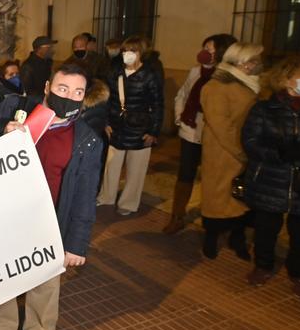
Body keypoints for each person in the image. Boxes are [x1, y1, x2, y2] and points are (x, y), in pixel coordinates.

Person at [0, 63, 103, 330]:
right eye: (62, 88)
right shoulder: (14, 107)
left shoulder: (86, 139)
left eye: (78, 92)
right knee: (3, 279)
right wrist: (1, 131)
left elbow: (85, 194)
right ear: (47, 87)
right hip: (5, 216)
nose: (69, 96)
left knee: (45, 284)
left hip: (50, 222)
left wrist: (77, 244)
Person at [241, 57, 300, 298]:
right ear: (286, 79)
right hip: (270, 180)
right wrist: (278, 153)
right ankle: (263, 266)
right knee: (266, 228)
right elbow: (250, 141)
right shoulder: (265, 108)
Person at [163, 34, 237, 234]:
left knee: (213, 179)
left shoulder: (228, 77)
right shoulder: (195, 72)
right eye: (205, 47)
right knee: (185, 175)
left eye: (211, 50)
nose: (206, 53)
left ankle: (213, 222)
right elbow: (182, 96)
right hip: (190, 131)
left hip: (214, 135)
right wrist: (180, 118)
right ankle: (177, 216)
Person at [199, 42, 264, 259]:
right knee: (218, 201)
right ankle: (210, 239)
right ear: (243, 63)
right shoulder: (216, 87)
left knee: (241, 200)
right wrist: (240, 152)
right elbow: (220, 125)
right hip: (223, 153)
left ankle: (238, 239)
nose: (258, 65)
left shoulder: (251, 84)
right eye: (254, 60)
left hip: (245, 151)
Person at [96, 37, 164, 216]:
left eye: (132, 51)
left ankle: (129, 202)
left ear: (140, 53)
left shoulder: (150, 75)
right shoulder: (115, 71)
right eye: (125, 51)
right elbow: (107, 99)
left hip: (140, 127)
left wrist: (153, 131)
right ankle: (106, 196)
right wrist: (106, 123)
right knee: (111, 165)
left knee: (136, 168)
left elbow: (158, 105)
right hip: (117, 126)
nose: (127, 55)